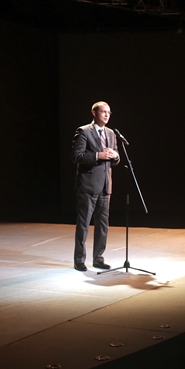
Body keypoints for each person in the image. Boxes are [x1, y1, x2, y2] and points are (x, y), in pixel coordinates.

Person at [71, 101, 120, 271]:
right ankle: (79, 260)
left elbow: (115, 158)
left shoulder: (111, 133)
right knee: (84, 224)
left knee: (103, 225)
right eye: (103, 112)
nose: (106, 115)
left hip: (105, 186)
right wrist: (98, 155)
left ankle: (98, 258)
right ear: (94, 113)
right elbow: (76, 156)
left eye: (109, 112)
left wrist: (115, 156)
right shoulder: (84, 131)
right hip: (88, 186)